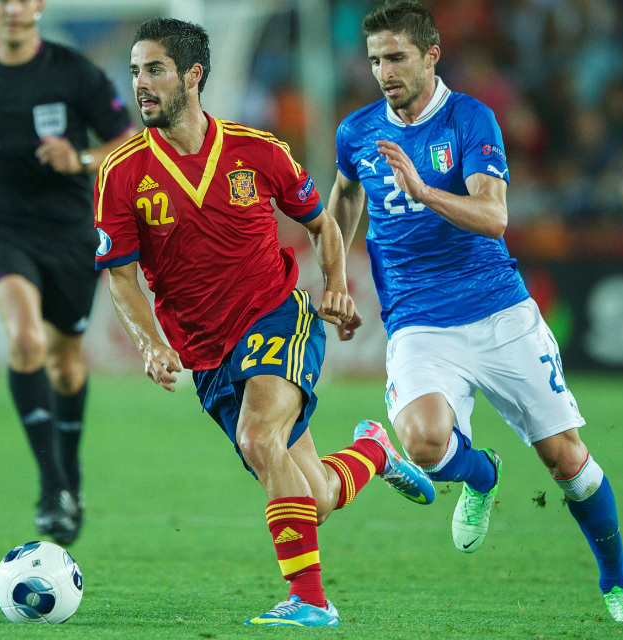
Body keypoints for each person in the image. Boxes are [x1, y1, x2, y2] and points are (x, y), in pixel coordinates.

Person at [95, 17, 434, 627]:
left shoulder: (260, 151)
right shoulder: (120, 173)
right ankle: (374, 451)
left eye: (155, 70)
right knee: (317, 497)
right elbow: (121, 275)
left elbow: (322, 224)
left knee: (259, 439)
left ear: (193, 75)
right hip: (205, 355)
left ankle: (310, 601)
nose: (140, 85)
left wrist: (334, 286)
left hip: (276, 317)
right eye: (136, 72)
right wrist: (149, 344)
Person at [327, 2, 623, 623]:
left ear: (431, 55)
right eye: (374, 60)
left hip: (499, 312)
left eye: (395, 57)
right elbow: (344, 198)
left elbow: (495, 217)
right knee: (422, 443)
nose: (383, 71)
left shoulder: (471, 119)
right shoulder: (357, 131)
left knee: (564, 458)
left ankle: (616, 582)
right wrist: (338, 280)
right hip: (419, 320)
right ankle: (482, 475)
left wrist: (424, 192)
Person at [0, 0, 138, 546]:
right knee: (23, 339)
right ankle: (51, 487)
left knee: (66, 366)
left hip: (70, 234)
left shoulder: (73, 71)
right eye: (2, 0)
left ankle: (70, 474)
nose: (13, 9)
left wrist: (82, 160)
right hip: (0, 232)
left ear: (38, 6)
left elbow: (128, 139)